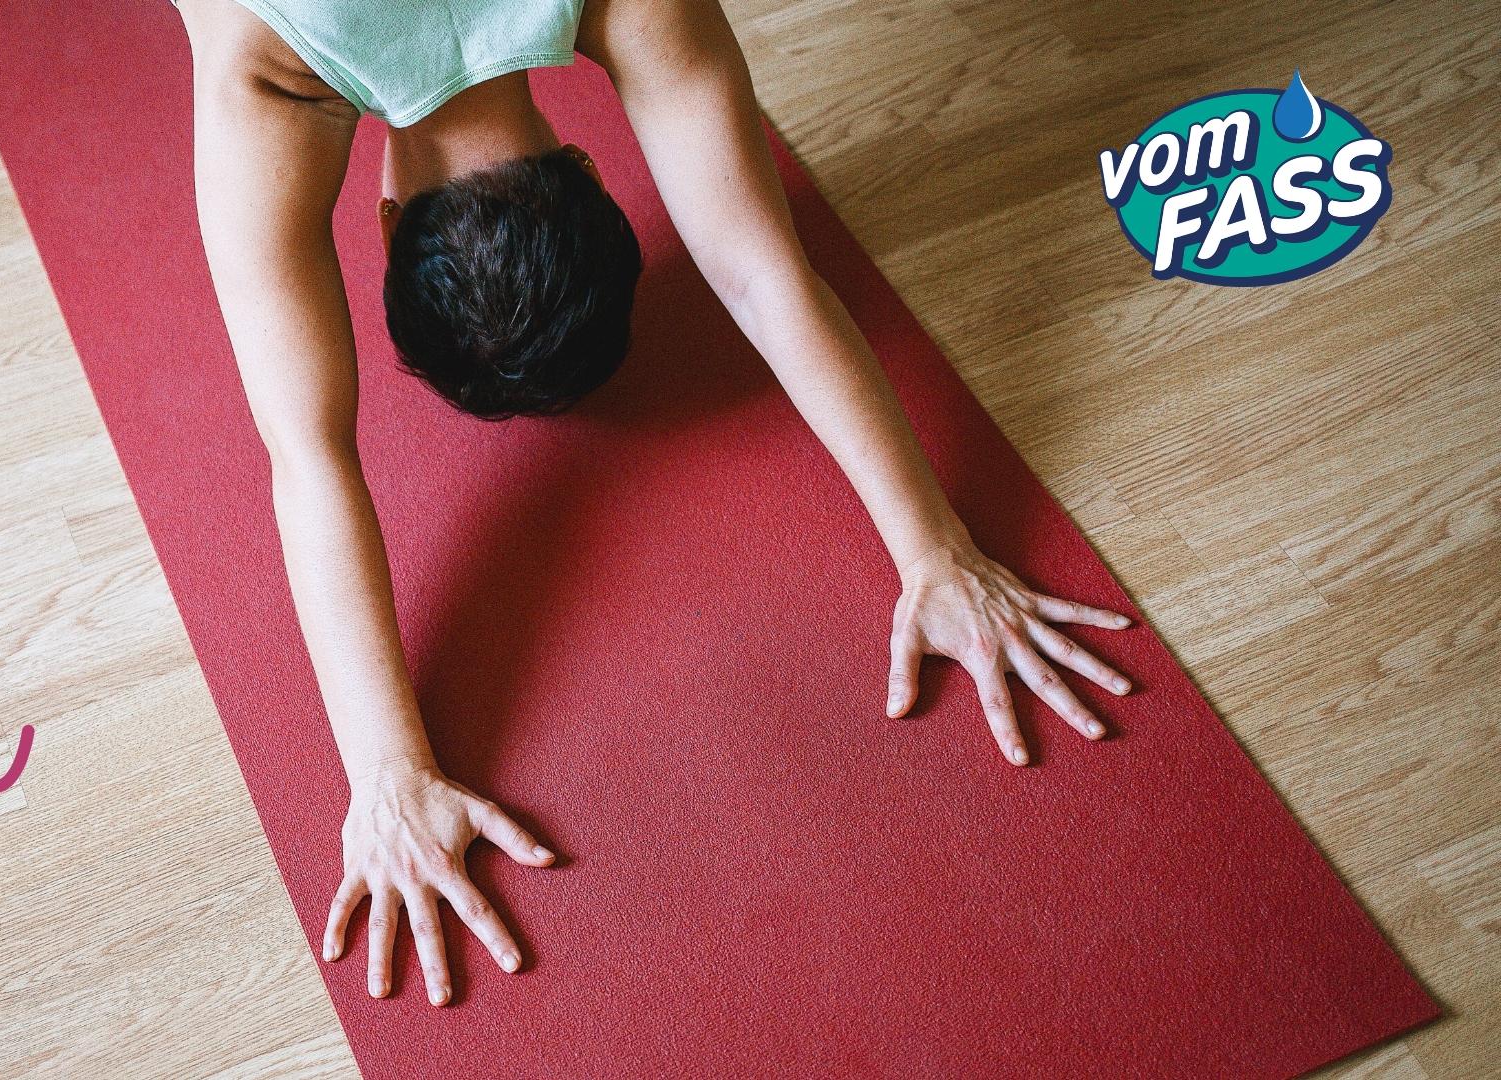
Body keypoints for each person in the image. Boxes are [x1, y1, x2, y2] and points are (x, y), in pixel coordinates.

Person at [174, 0, 1137, 1007]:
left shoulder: (279, 69)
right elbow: (758, 273)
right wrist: (382, 773)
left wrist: (938, 553)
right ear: (592, 173)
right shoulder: (267, 79)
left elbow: (313, 452)